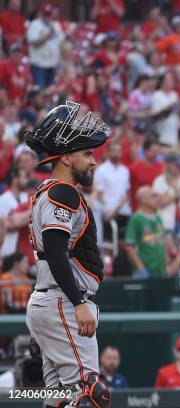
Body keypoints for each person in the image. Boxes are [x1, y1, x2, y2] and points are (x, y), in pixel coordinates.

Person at [24, 100, 112, 408]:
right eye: (86, 153)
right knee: (90, 395)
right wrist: (78, 303)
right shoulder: (63, 192)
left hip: (50, 300)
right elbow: (57, 252)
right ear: (65, 157)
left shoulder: (49, 190)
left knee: (60, 399)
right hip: (62, 301)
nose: (92, 161)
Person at [124, 186, 166, 278]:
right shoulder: (136, 219)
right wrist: (141, 268)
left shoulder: (158, 218)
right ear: (143, 200)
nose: (156, 199)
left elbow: (163, 243)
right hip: (145, 271)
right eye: (153, 196)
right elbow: (129, 246)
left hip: (159, 270)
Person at [93, 143, 131, 240]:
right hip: (109, 211)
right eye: (114, 151)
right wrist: (108, 210)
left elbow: (126, 192)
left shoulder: (125, 171)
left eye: (118, 151)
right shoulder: (101, 170)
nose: (117, 154)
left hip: (125, 211)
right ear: (108, 152)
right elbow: (99, 194)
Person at [26, 3, 65, 88]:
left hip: (52, 64)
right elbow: (33, 43)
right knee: (39, 92)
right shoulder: (35, 24)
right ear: (41, 14)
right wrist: (47, 36)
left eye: (49, 14)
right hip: (38, 65)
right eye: (45, 14)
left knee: (50, 92)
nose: (47, 16)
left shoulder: (56, 25)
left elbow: (61, 43)